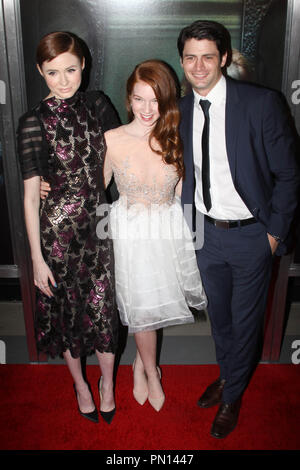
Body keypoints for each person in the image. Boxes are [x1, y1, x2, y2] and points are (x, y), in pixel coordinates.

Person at [177, 20, 299, 438]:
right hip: (206, 236)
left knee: (246, 322)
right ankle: (230, 375)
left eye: (207, 56)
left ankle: (233, 396)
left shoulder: (260, 103)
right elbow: (179, 172)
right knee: (220, 319)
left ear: (224, 58)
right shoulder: (181, 109)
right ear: (182, 60)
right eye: (190, 57)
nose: (198, 66)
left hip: (252, 235)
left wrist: (273, 233)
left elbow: (289, 174)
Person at [18, 31, 120, 425]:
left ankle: (108, 384)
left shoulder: (98, 104)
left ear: (84, 66)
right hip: (57, 238)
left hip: (99, 230)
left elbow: (119, 151)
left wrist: (99, 185)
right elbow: (29, 197)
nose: (63, 80)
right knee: (69, 318)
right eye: (53, 72)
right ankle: (80, 386)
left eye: (71, 70)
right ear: (41, 72)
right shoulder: (32, 122)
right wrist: (35, 259)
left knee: (103, 312)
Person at [103, 59, 207, 412]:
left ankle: (140, 365)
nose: (147, 109)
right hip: (128, 231)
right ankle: (151, 371)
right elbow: (91, 189)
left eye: (155, 100)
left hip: (165, 229)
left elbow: (185, 193)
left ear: (167, 100)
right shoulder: (112, 139)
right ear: (128, 99)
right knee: (140, 306)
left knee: (152, 304)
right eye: (139, 99)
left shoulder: (175, 137)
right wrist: (46, 189)